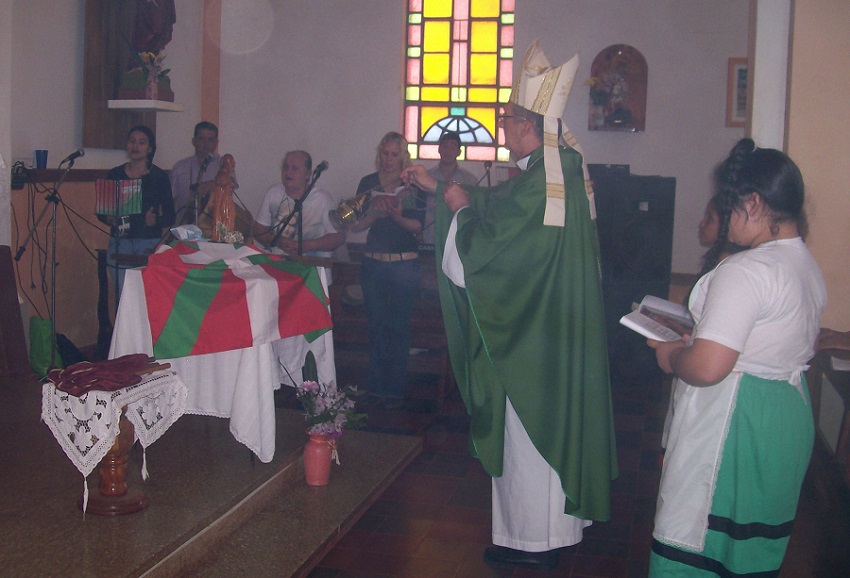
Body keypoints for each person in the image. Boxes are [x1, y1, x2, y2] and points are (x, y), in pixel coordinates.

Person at [403, 41, 617, 571]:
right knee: (542, 435)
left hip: (530, 337)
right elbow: (502, 212)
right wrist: (442, 189)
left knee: (529, 438)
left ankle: (533, 544)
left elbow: (492, 250)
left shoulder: (546, 177)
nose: (503, 129)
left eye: (508, 120)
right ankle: (542, 535)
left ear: (528, 125)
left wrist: (457, 211)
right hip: (553, 329)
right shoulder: (555, 169)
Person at [647, 138, 826, 576]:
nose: (725, 221)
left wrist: (673, 356)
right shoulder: (803, 263)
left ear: (754, 202)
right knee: (748, 554)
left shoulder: (747, 271)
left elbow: (709, 368)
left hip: (736, 422)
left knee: (700, 542)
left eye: (730, 208)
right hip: (783, 417)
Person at [350, 131, 425, 409]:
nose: (389, 159)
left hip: (405, 263)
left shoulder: (413, 183)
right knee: (377, 326)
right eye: (385, 153)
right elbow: (355, 225)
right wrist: (376, 213)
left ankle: (395, 390)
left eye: (395, 154)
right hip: (373, 262)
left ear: (403, 156)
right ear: (379, 153)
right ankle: (376, 387)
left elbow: (418, 227)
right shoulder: (368, 183)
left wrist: (396, 214)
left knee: (399, 328)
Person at [98, 125, 174, 298]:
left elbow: (170, 216)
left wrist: (155, 221)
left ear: (150, 148)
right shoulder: (115, 174)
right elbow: (101, 212)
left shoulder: (159, 177)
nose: (136, 146)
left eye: (141, 142)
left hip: (148, 243)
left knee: (144, 297)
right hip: (120, 243)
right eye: (132, 141)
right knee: (123, 298)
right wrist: (108, 218)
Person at [252, 150, 344, 259]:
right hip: (276, 264)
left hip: (312, 268)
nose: (288, 172)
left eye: (294, 168)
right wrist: (278, 241)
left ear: (308, 174)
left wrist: (306, 246)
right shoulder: (273, 193)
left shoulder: (322, 199)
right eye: (285, 167)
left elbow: (338, 237)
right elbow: (258, 230)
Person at [170, 121, 236, 224]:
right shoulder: (180, 167)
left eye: (210, 140)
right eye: (201, 139)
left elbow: (231, 185)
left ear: (216, 143)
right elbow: (171, 200)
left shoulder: (223, 165)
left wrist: (214, 184)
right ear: (194, 141)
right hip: (184, 228)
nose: (206, 144)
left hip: (215, 228)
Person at [423, 131, 477, 245]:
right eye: (445, 146)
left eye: (452, 147)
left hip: (458, 239)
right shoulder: (427, 177)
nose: (448, 150)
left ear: (459, 152)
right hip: (429, 238)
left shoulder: (469, 180)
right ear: (439, 149)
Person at [697, 194, 746, 276]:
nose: (702, 224)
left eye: (710, 219)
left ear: (726, 224)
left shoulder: (728, 263)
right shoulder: (718, 256)